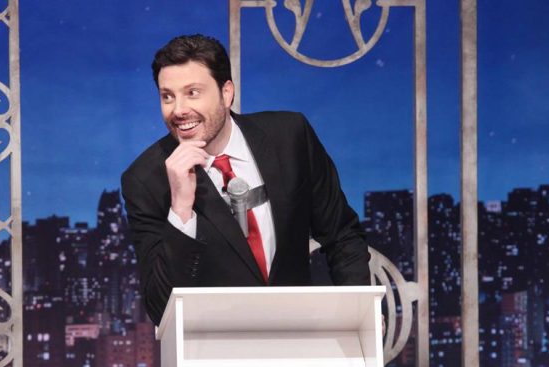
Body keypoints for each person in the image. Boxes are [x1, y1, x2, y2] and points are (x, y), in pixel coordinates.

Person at [121, 34, 370, 324]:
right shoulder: (145, 180)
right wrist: (181, 210)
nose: (179, 110)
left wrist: (362, 315)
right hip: (213, 346)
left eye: (192, 93)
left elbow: (342, 235)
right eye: (168, 96)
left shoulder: (290, 137)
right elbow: (160, 307)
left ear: (226, 93)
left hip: (299, 334)